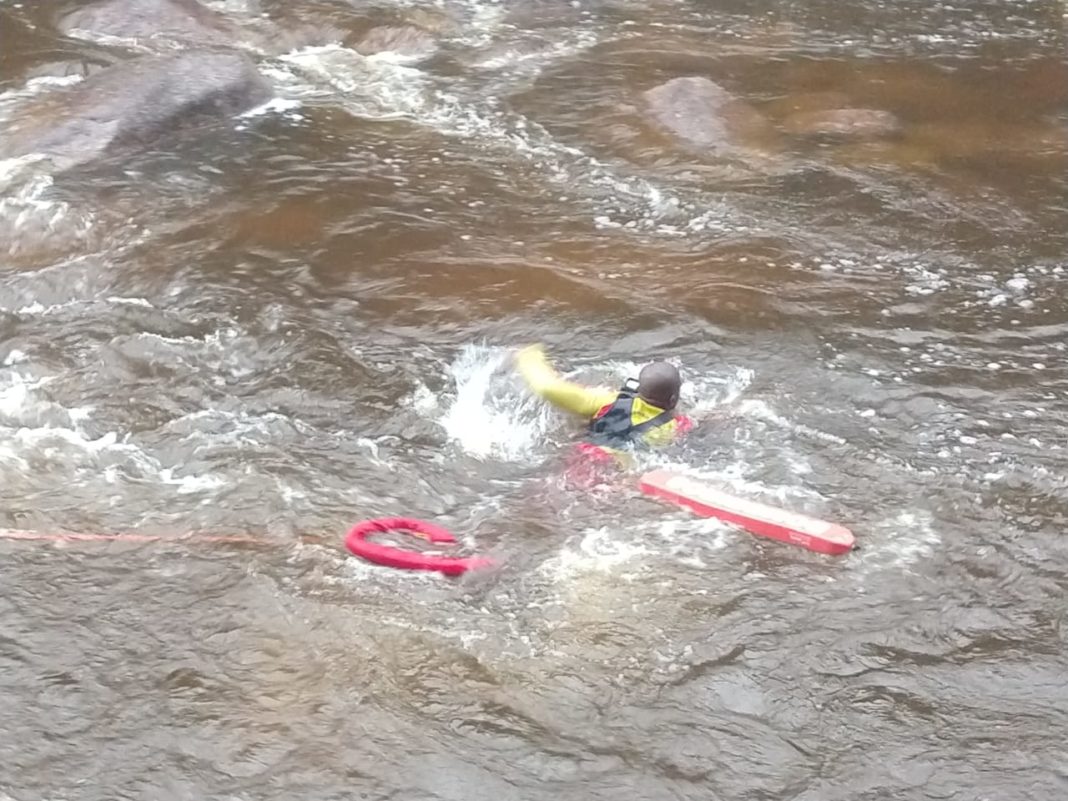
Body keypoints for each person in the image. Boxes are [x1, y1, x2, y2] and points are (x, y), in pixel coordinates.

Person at [513, 344, 692, 465]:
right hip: (616, 470)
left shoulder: (606, 401)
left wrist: (529, 355)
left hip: (582, 457)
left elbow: (548, 388)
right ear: (673, 399)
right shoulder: (674, 426)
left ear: (638, 388)